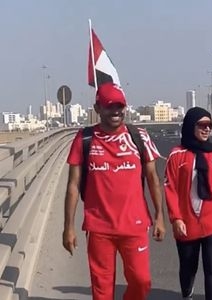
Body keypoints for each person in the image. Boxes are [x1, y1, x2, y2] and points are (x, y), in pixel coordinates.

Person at [62, 82, 166, 300]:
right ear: (97, 108)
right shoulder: (84, 139)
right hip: (99, 227)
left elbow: (153, 177)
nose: (116, 111)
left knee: (141, 281)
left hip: (135, 225)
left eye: (119, 106)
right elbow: (73, 184)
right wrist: (68, 228)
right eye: (109, 106)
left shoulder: (140, 137)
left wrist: (159, 217)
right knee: (102, 290)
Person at [164, 107, 212, 300]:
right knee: (188, 268)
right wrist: (176, 218)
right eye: (202, 125)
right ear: (190, 126)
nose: (206, 129)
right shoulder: (177, 154)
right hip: (187, 222)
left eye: (209, 125)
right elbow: (170, 188)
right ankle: (187, 294)